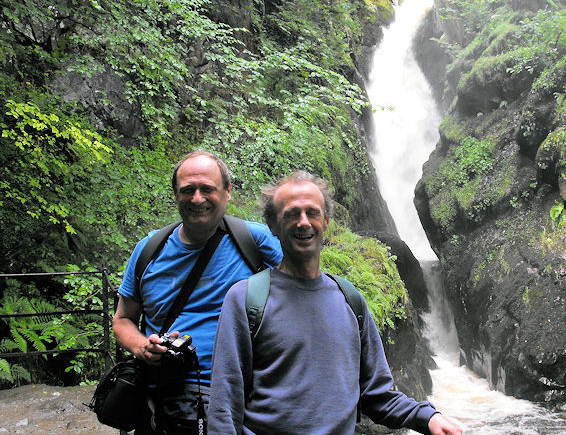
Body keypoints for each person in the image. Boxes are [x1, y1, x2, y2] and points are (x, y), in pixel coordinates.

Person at [207, 170, 463, 435]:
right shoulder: (246, 299)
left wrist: (428, 417)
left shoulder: (350, 300)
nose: (303, 222)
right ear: (273, 225)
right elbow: (224, 407)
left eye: (313, 212)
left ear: (326, 220)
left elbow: (377, 396)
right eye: (292, 214)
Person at [112, 151, 283, 434]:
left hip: (243, 401)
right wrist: (143, 347)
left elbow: (301, 291)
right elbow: (122, 319)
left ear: (227, 192)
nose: (197, 198)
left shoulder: (255, 241)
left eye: (207, 189)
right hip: (165, 404)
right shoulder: (148, 251)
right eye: (187, 190)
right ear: (176, 195)